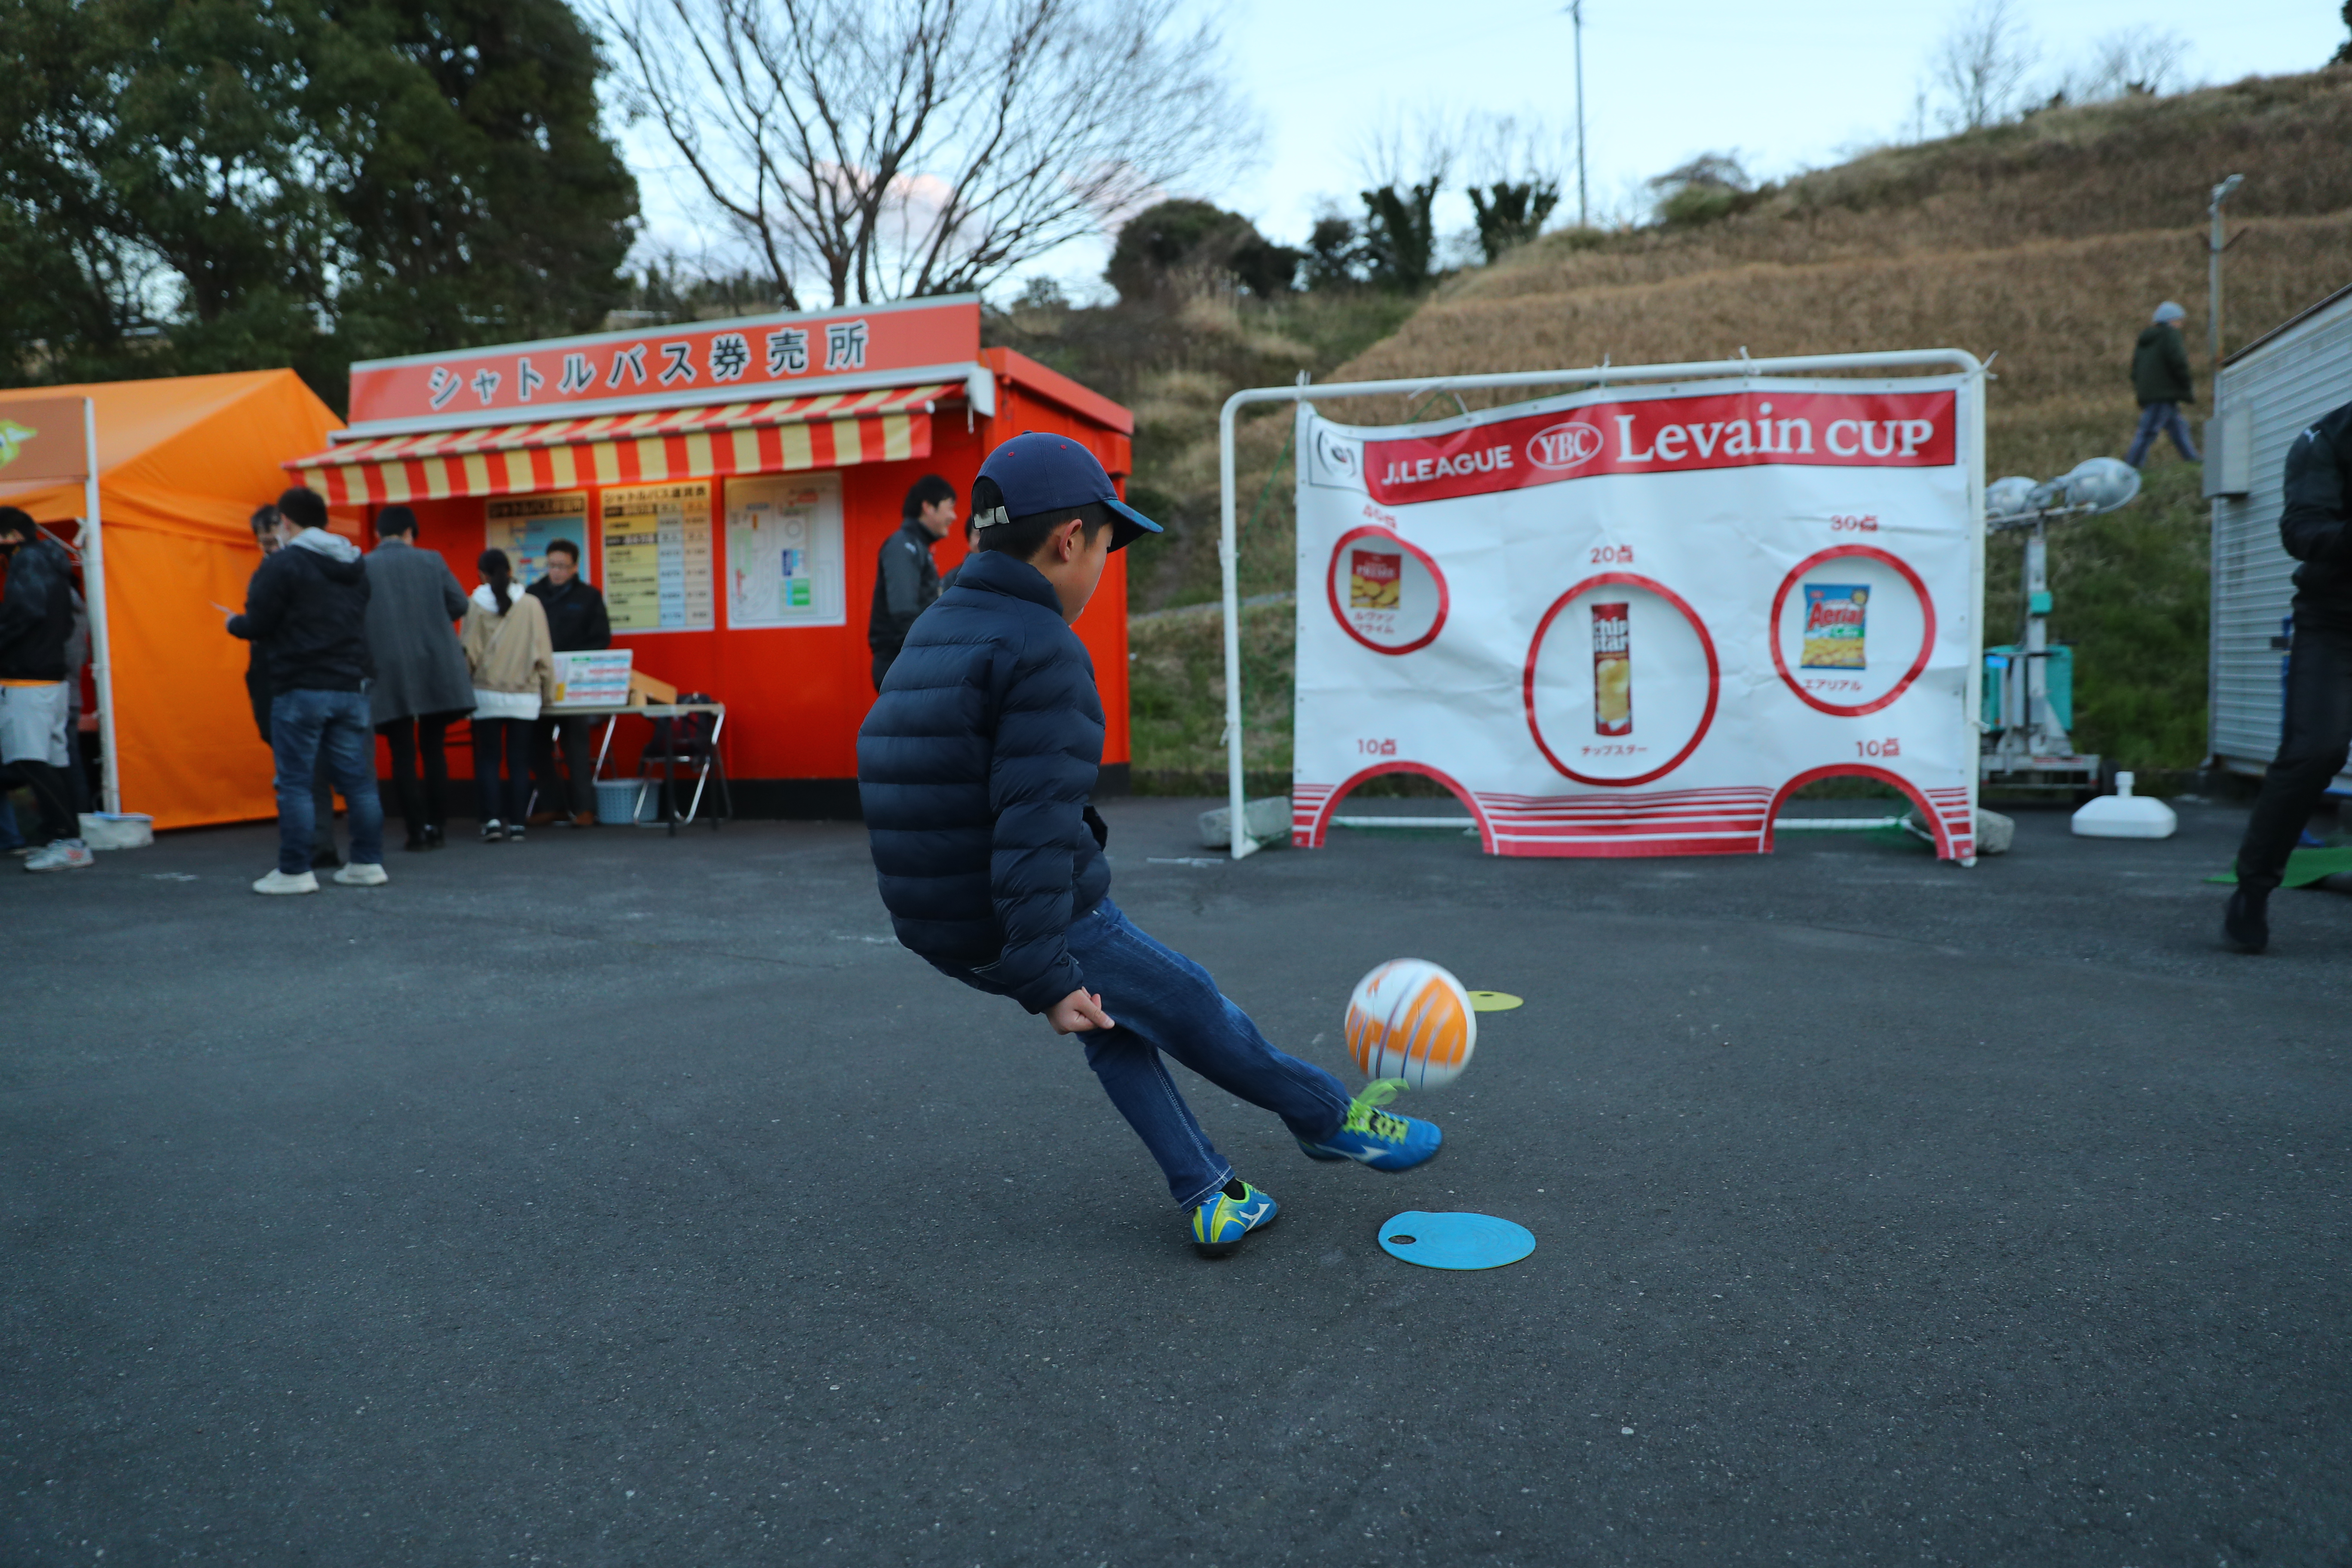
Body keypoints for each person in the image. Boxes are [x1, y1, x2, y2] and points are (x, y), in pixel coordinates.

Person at [857, 435, 1442, 1259]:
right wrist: (1045, 970)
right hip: (1023, 915)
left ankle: (1210, 1192)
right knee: (1195, 1006)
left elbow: (904, 775)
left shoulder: (936, 628)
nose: (1103, 565)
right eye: (1105, 543)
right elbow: (1030, 825)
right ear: (1068, 539)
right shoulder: (1041, 648)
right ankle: (1330, 1120)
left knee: (1115, 1025)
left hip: (938, 923)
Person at [2224, 397, 2352, 953]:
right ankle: (2252, 890)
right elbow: (2302, 529)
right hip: (2336, 621)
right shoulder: (2326, 438)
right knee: (2314, 751)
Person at [225, 487, 387, 894]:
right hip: (352, 684)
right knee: (359, 783)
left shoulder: (283, 565)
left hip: (300, 685)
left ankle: (295, 871)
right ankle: (367, 864)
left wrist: (234, 624)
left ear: (287, 522)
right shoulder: (354, 564)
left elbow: (259, 624)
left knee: (296, 782)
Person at [364, 506, 474, 851]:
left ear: (379, 535)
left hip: (388, 667)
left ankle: (415, 831)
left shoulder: (363, 566)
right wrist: (432, 619)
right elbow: (460, 604)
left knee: (402, 753)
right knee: (434, 748)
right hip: (434, 664)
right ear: (411, 532)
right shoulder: (432, 560)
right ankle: (438, 826)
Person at [243, 504, 342, 868]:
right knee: (311, 769)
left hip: (293, 680)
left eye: (272, 540)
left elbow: (263, 624)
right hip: (293, 678)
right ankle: (324, 844)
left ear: (285, 530)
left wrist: (244, 624)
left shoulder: (289, 572)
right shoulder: (316, 568)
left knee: (302, 771)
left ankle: (308, 850)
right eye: (262, 543)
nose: (268, 549)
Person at [0, 507, 93, 871]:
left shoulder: (29, 563)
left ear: (11, 536)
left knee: (31, 760)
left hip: (29, 679)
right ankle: (67, 839)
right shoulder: (54, 562)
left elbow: (26, 612)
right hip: (51, 679)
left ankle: (69, 841)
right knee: (55, 761)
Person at [461, 548, 554, 843]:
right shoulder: (532, 605)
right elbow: (545, 658)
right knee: (518, 760)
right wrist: (548, 695)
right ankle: (517, 824)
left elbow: (467, 653)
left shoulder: (474, 605)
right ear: (511, 570)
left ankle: (490, 821)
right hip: (524, 696)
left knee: (488, 760)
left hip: (486, 694)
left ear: (482, 575)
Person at [526, 538, 610, 827]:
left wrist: (577, 662)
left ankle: (585, 809)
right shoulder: (532, 595)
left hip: (575, 682)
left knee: (576, 744)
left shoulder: (589, 596)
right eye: (552, 566)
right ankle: (554, 805)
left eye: (562, 566)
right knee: (536, 744)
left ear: (575, 567)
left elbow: (601, 638)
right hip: (539, 680)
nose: (556, 572)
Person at [867, 474, 956, 690]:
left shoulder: (917, 546)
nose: (954, 516)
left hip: (910, 662)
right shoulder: (903, 545)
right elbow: (904, 614)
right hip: (901, 665)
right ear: (928, 507)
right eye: (950, 507)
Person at [2125, 300, 2200, 468]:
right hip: (2163, 393)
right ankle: (2132, 467)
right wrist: (2186, 384)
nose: (2181, 325)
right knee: (2148, 431)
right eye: (2179, 321)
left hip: (2151, 392)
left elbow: (2135, 369)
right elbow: (2178, 361)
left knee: (2179, 429)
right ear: (2171, 321)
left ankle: (2193, 460)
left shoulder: (2146, 340)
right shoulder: (2170, 335)